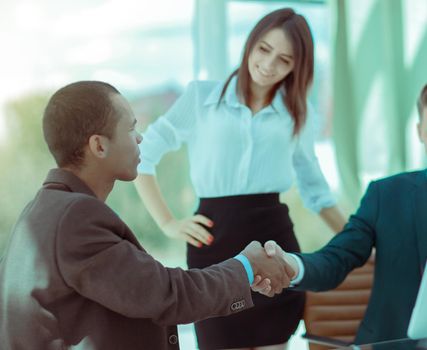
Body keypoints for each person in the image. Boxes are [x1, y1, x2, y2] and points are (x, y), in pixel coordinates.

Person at [0, 81, 294, 350]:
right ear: (99, 146)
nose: (140, 139)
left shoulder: (43, 210)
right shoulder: (76, 217)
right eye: (130, 129)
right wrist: (246, 267)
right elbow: (166, 294)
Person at [135, 7, 347, 350]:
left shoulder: (298, 115)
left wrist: (362, 244)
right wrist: (168, 222)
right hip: (214, 244)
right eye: (264, 49)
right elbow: (143, 156)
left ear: (296, 67)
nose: (268, 65)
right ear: (250, 44)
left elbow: (317, 192)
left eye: (284, 60)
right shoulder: (201, 98)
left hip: (275, 244)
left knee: (273, 340)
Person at [259, 83, 427, 345]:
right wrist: (291, 265)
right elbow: (337, 258)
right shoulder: (387, 195)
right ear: (420, 132)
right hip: (391, 344)